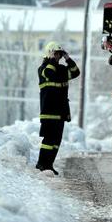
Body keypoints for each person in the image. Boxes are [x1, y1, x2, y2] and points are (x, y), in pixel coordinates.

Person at [36, 41, 80, 175]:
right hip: (49, 112)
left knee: (56, 141)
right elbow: (50, 73)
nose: (58, 57)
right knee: (48, 140)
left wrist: (68, 58)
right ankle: (42, 163)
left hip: (60, 112)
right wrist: (51, 59)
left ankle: (49, 165)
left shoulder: (61, 69)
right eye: (55, 54)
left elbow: (75, 72)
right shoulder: (43, 68)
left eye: (59, 54)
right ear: (49, 54)